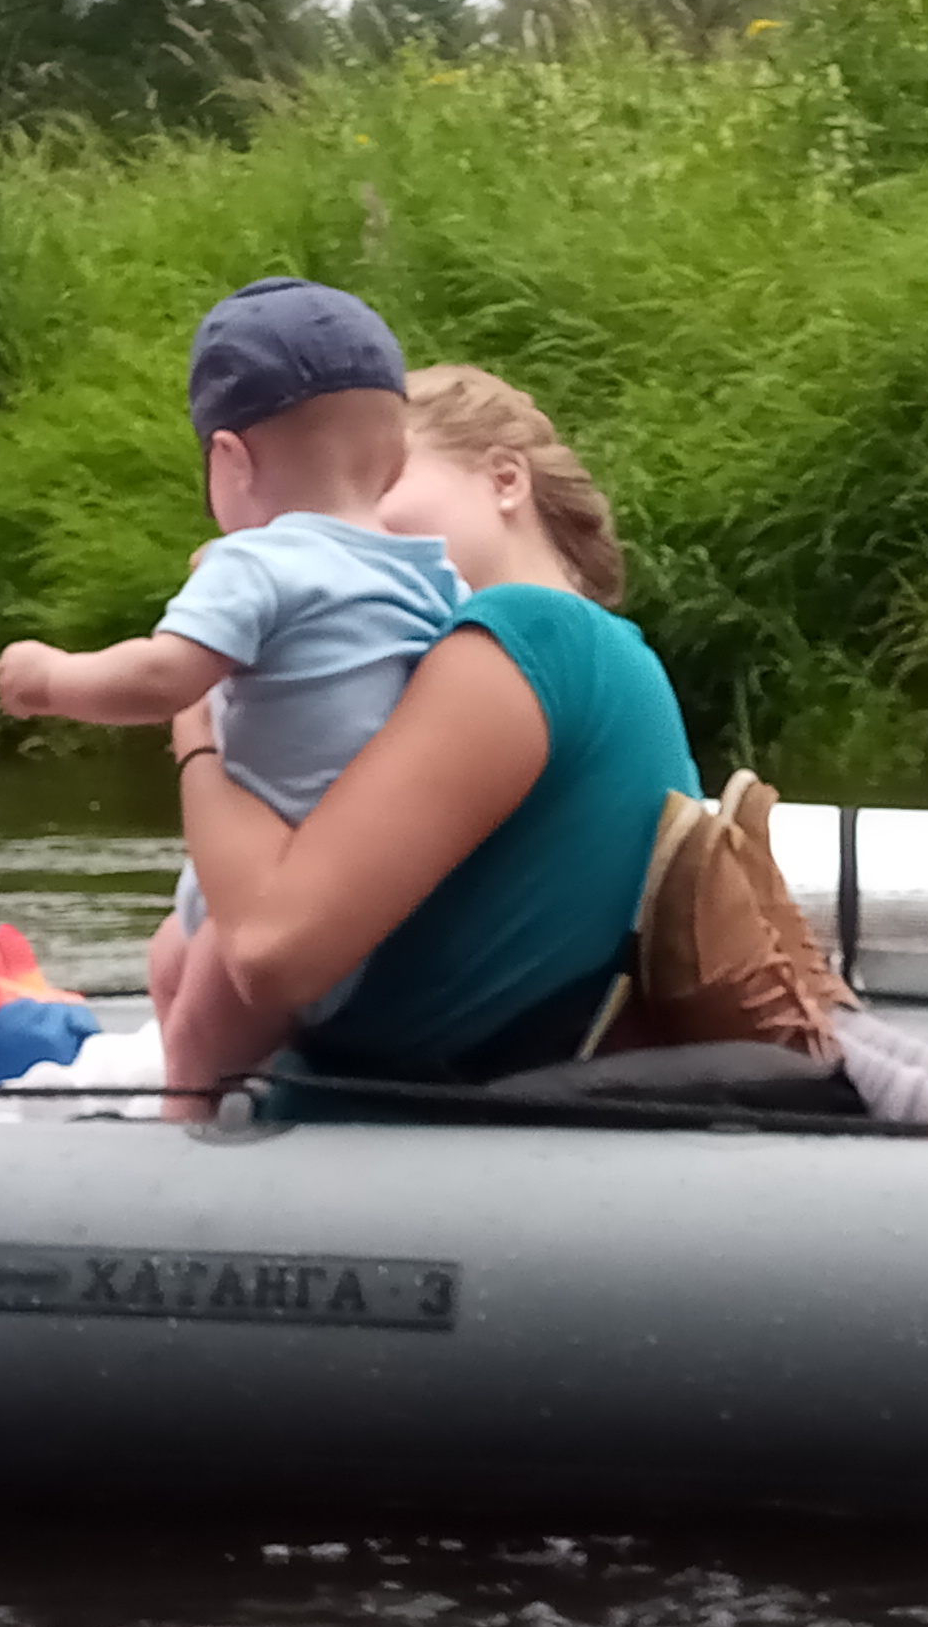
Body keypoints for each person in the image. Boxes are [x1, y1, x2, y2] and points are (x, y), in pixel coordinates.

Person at [153, 362, 699, 1089]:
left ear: (505, 479)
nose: (335, 527)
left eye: (376, 485)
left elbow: (268, 954)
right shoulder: (598, 653)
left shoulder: (527, 630)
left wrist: (196, 723)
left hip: (404, 1134)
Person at [0, 277, 464, 1105]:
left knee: (197, 1032)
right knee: (170, 956)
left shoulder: (258, 562)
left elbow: (162, 676)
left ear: (230, 460)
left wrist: (50, 677)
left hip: (272, 885)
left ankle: (188, 1124)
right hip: (371, 888)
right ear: (394, 459)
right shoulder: (435, 575)